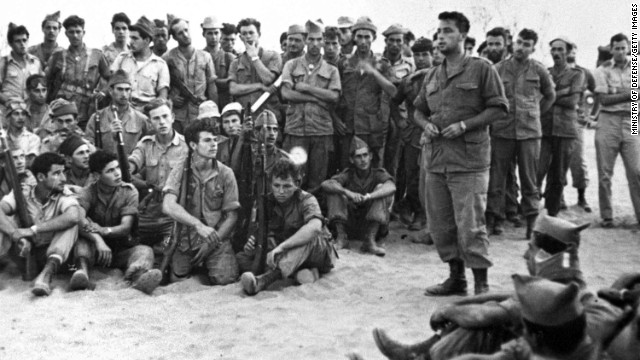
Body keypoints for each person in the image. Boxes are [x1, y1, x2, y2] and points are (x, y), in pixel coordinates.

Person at [415, 11, 508, 296]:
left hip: (469, 162)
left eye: (447, 31)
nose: (440, 37)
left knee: (471, 226)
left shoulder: (482, 69)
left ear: (463, 36)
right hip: (436, 160)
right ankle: (456, 279)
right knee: (441, 225)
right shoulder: (433, 72)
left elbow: (499, 107)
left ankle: (481, 284)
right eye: (438, 32)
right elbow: (418, 109)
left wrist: (466, 125)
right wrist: (426, 124)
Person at [487, 29, 555, 238]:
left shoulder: (539, 70)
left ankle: (531, 222)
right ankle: (494, 220)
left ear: (533, 48)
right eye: (518, 42)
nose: (520, 47)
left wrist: (534, 113)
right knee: (496, 177)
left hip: (529, 133)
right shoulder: (498, 69)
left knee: (529, 179)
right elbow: (489, 97)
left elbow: (550, 95)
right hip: (502, 131)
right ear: (512, 43)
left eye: (526, 44)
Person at [239, 157, 336, 295]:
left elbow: (314, 228)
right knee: (242, 258)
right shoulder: (268, 201)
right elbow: (257, 232)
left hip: (319, 251)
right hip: (289, 253)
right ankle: (301, 272)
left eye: (287, 186)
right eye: (276, 185)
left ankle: (263, 281)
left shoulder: (307, 199)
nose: (281, 191)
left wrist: (281, 247)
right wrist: (251, 246)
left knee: (307, 238)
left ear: (297, 183)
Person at [162, 119, 240, 285]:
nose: (213, 145)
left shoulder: (226, 173)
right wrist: (197, 225)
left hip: (216, 238)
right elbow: (168, 205)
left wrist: (212, 242)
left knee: (226, 279)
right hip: (186, 239)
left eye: (215, 140)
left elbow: (232, 216)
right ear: (193, 145)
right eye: (207, 140)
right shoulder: (181, 169)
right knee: (177, 280)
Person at [72, 150, 162, 294]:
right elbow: (78, 219)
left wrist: (103, 230)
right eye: (110, 171)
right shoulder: (87, 192)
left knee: (145, 251)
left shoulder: (129, 191)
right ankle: (81, 273)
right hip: (94, 249)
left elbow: (125, 227)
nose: (117, 173)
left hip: (120, 249)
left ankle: (138, 279)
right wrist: (98, 241)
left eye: (117, 168)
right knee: (81, 245)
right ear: (96, 176)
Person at [0, 152, 80, 296]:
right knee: (4, 223)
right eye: (57, 173)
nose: (63, 178)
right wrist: (16, 235)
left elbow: (73, 216)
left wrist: (33, 230)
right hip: (23, 252)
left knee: (72, 225)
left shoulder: (62, 193)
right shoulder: (23, 191)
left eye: (63, 172)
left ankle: (46, 275)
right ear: (41, 177)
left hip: (54, 256)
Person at [281, 20, 341, 193]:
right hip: (296, 131)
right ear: (305, 40)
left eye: (319, 40)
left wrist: (307, 88)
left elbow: (334, 97)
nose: (315, 44)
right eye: (311, 39)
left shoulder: (331, 70)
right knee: (293, 176)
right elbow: (286, 94)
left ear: (323, 41)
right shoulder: (291, 65)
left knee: (318, 180)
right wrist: (315, 99)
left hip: (321, 131)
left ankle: (314, 215)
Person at [127, 98, 188, 253]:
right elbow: (131, 166)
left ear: (173, 117)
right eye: (156, 118)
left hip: (174, 216)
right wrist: (128, 166)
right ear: (150, 122)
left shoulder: (186, 146)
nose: (162, 122)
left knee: (170, 249)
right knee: (126, 240)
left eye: (165, 116)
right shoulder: (146, 144)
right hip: (149, 214)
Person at [336, 17, 397, 169]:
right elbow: (335, 94)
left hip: (371, 129)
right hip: (348, 127)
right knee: (346, 169)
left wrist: (374, 73)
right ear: (354, 38)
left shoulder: (382, 64)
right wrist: (335, 118)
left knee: (374, 170)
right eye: (359, 37)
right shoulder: (343, 63)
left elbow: (394, 92)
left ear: (373, 38)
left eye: (367, 37)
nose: (363, 41)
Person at [594, 33, 640, 228]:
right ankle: (607, 216)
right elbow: (603, 99)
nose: (621, 52)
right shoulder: (602, 70)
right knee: (605, 172)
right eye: (617, 48)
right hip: (608, 119)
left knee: (636, 171)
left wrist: (618, 95)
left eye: (624, 48)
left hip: (633, 118)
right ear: (611, 50)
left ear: (628, 47)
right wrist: (631, 94)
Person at [322, 136, 395, 256]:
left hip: (371, 225)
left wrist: (370, 196)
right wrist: (347, 193)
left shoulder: (378, 174)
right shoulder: (347, 174)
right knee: (335, 190)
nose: (363, 160)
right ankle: (341, 238)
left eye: (365, 155)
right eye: (358, 156)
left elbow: (391, 187)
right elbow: (326, 184)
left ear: (371, 156)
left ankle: (370, 241)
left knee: (381, 189)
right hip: (350, 224)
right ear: (351, 160)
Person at [536, 37, 585, 217]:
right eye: (554, 49)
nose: (556, 53)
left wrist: (551, 95)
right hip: (545, 128)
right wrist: (562, 92)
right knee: (537, 172)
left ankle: (552, 214)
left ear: (568, 52)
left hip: (566, 130)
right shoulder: (544, 73)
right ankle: (531, 212)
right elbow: (539, 98)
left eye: (560, 50)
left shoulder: (577, 74)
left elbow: (573, 102)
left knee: (558, 176)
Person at [393, 37, 433, 232]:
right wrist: (400, 122)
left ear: (433, 55)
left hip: (436, 134)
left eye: (425, 54)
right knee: (413, 177)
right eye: (417, 55)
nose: (421, 59)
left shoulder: (441, 77)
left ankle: (432, 216)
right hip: (413, 136)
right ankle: (418, 213)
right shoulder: (409, 81)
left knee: (433, 177)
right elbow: (394, 101)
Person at [45, 15, 110, 130]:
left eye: (78, 32)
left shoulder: (97, 55)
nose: (75, 35)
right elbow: (47, 82)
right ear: (66, 34)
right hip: (62, 114)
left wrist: (104, 92)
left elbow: (112, 78)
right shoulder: (58, 56)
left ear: (83, 32)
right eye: (71, 32)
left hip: (86, 112)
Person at [380, 24, 415, 221]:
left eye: (398, 41)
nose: (395, 44)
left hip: (400, 120)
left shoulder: (409, 66)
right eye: (391, 40)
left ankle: (393, 206)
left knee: (396, 165)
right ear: (385, 42)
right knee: (379, 162)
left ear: (403, 43)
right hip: (379, 118)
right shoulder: (377, 62)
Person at [163, 17, 218, 133]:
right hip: (177, 115)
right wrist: (171, 98)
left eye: (186, 30)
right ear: (174, 37)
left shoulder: (205, 56)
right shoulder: (168, 58)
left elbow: (212, 87)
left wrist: (214, 111)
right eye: (180, 33)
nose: (185, 35)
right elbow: (162, 86)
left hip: (200, 113)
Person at [85, 69, 152, 155]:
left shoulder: (142, 119)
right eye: (120, 89)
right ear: (110, 91)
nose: (124, 94)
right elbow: (89, 146)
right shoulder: (97, 117)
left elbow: (149, 148)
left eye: (127, 90)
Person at [110, 16, 170, 112]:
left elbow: (162, 97)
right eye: (131, 38)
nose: (131, 42)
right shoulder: (122, 58)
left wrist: (145, 109)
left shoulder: (160, 64)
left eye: (135, 38)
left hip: (148, 113)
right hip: (123, 110)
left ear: (146, 40)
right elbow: (111, 85)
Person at [228, 18, 282, 123]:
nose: (248, 36)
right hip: (247, 118)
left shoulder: (273, 56)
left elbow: (268, 79)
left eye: (251, 32)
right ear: (240, 37)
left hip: (269, 117)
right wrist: (259, 86)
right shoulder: (236, 62)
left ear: (259, 34)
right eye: (244, 33)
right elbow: (233, 89)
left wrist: (254, 57)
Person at [0, 24, 43, 111]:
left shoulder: (35, 62)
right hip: (9, 112)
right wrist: (8, 103)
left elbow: (41, 87)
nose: (22, 44)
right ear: (11, 44)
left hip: (30, 111)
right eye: (18, 41)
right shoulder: (3, 63)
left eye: (24, 40)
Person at [201, 16, 235, 109]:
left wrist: (212, 81)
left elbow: (232, 83)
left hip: (226, 106)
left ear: (220, 34)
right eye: (210, 33)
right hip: (205, 105)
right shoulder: (199, 57)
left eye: (216, 33)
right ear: (203, 34)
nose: (213, 37)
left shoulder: (229, 58)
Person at [4, 101, 40, 167]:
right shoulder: (2, 137)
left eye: (23, 114)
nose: (21, 117)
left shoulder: (33, 138)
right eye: (16, 114)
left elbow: (30, 162)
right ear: (9, 117)